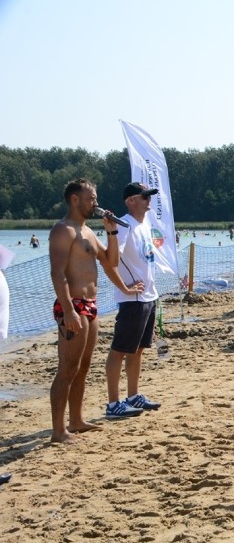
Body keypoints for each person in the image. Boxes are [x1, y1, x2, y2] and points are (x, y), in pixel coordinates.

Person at [49, 179, 142, 440]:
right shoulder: (63, 230)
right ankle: (58, 430)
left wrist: (111, 232)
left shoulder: (88, 232)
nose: (96, 203)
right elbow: (57, 274)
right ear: (75, 200)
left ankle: (76, 420)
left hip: (91, 305)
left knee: (83, 366)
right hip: (73, 305)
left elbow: (111, 261)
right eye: (91, 198)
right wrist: (68, 310)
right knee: (67, 367)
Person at [104, 182, 165, 419]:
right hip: (133, 299)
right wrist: (124, 287)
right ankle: (113, 404)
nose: (148, 200)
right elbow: (110, 259)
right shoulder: (124, 224)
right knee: (119, 350)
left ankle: (133, 395)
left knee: (138, 350)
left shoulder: (144, 224)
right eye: (144, 196)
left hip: (148, 295)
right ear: (131, 200)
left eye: (149, 196)